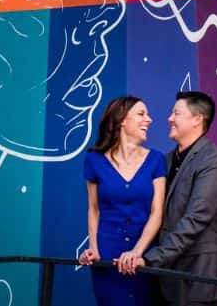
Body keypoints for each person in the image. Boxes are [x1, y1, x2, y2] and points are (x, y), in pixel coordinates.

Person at [129, 91, 217, 306]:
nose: (169, 118)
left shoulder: (213, 161)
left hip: (197, 275)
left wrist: (150, 258)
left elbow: (195, 219)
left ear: (197, 119)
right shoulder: (165, 160)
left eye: (176, 113)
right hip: (165, 274)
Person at [79, 96, 167, 305]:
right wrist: (94, 248)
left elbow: (157, 213)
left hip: (143, 252)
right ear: (121, 120)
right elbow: (93, 209)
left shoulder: (156, 159)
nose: (149, 120)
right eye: (141, 114)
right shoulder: (94, 160)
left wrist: (138, 251)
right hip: (107, 251)